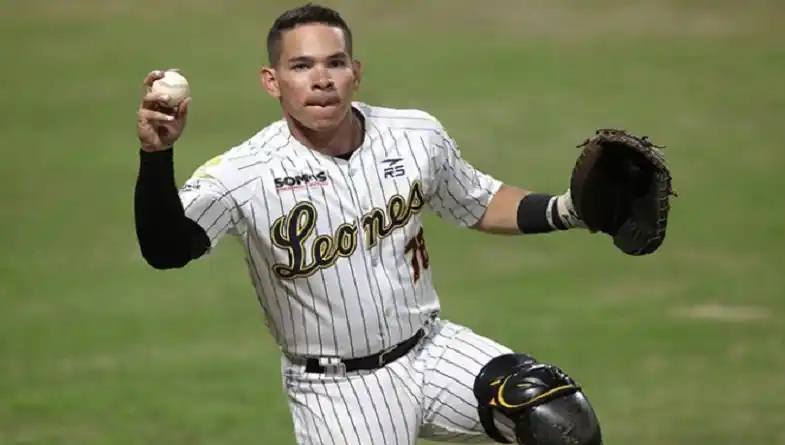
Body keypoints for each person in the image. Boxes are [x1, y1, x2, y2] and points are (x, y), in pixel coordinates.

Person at [134, 3, 603, 444]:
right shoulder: (244, 174)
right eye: (300, 67)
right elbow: (167, 249)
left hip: (432, 351)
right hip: (337, 390)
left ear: (355, 74)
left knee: (555, 413)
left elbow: (479, 202)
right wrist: (157, 157)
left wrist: (567, 210)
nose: (321, 80)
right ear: (271, 81)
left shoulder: (413, 134)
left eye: (334, 63)